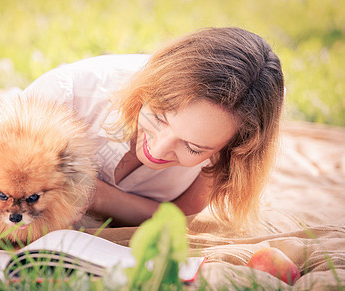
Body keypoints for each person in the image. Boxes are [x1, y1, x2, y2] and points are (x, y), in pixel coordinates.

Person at [23, 27, 285, 229]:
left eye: (192, 148)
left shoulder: (230, 148)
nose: (157, 150)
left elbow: (180, 217)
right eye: (160, 118)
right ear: (150, 88)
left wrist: (97, 195)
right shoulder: (64, 95)